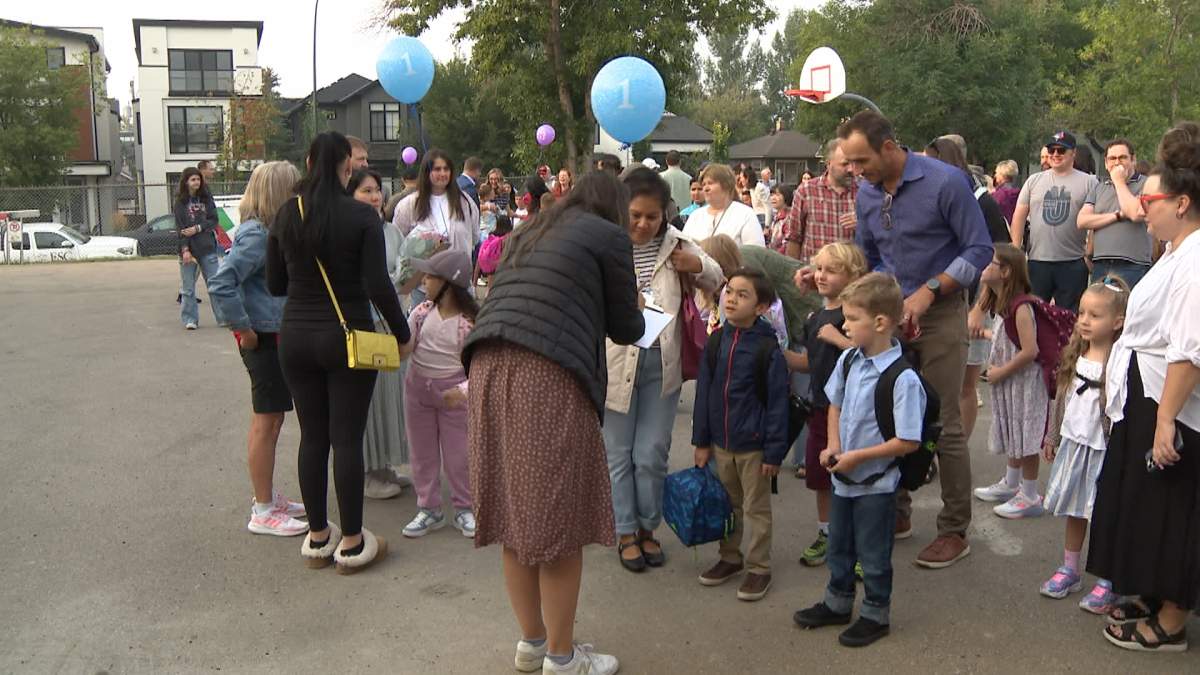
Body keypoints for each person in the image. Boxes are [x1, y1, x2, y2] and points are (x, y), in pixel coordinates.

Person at [461, 170, 644, 675]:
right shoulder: (608, 236)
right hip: (546, 375)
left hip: (486, 366)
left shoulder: (532, 228)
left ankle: (533, 642)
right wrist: (635, 304)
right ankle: (562, 659)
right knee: (560, 527)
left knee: (515, 519)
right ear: (615, 208)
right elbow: (627, 327)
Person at [834, 110, 993, 568]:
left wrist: (929, 290)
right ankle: (896, 512)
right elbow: (869, 257)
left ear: (889, 147)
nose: (855, 171)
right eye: (850, 163)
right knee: (889, 416)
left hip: (941, 315)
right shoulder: (867, 192)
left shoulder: (946, 182)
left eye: (861, 160)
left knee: (943, 423)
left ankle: (954, 530)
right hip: (890, 319)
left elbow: (979, 249)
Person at [267, 131, 411, 573]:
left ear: (309, 162)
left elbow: (275, 283)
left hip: (295, 337)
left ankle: (317, 535)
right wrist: (402, 333)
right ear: (348, 167)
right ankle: (351, 542)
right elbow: (378, 285)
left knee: (313, 437)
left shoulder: (288, 213)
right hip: (348, 337)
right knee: (347, 438)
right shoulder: (361, 217)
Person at [1088, 122, 1200, 653]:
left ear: (1181, 203)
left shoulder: (1195, 258)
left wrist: (1165, 419)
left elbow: (1189, 349)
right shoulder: (1177, 249)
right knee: (1151, 508)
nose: (1142, 208)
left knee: (1177, 513)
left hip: (1172, 404)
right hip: (1150, 395)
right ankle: (1156, 595)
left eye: (1151, 200)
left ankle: (1173, 619)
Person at [794, 271, 927, 647]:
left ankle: (875, 614)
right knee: (839, 544)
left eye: (852, 319)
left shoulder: (903, 378)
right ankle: (837, 603)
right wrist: (834, 445)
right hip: (844, 478)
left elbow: (908, 441)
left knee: (872, 553)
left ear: (881, 322)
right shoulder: (850, 359)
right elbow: (834, 403)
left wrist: (858, 457)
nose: (844, 326)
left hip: (876, 485)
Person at [604, 167, 723, 573]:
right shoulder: (606, 243)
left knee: (652, 453)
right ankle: (625, 531)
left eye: (651, 216)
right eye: (635, 215)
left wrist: (696, 265)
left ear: (664, 214)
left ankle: (648, 527)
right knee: (619, 455)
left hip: (661, 363)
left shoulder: (676, 242)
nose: (643, 224)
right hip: (614, 362)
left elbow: (718, 276)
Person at [208, 160, 307, 537]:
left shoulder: (267, 231)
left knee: (273, 418)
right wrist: (243, 328)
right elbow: (222, 283)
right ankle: (263, 509)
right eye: (294, 189)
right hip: (263, 338)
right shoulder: (256, 234)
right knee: (266, 421)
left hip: (272, 335)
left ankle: (267, 497)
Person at [692, 267, 788, 602]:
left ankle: (759, 567)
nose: (731, 299)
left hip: (754, 446)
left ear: (761, 307)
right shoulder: (717, 340)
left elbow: (778, 404)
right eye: (729, 291)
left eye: (742, 295)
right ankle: (730, 557)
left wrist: (774, 453)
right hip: (721, 443)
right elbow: (704, 393)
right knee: (727, 504)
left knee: (756, 508)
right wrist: (701, 441)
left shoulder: (767, 348)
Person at [1038, 277, 1128, 610]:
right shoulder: (1076, 352)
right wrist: (1053, 435)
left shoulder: (1120, 359)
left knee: (1103, 514)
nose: (1085, 321)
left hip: (1103, 449)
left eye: (1095, 315)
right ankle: (1070, 568)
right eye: (1082, 313)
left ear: (1117, 322)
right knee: (1075, 510)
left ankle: (1108, 578)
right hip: (1075, 444)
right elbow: (1061, 397)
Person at [926, 138, 1011, 442]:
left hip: (974, 300)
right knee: (932, 384)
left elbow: (999, 254)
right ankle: (932, 450)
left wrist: (980, 307)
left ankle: (956, 449)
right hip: (934, 299)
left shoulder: (981, 200)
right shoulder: (928, 197)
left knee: (965, 385)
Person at [794, 242, 867, 567]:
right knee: (820, 474)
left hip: (854, 412)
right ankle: (827, 533)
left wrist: (839, 339)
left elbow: (872, 355)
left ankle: (860, 544)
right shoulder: (816, 317)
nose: (821, 276)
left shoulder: (856, 315)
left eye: (831, 270)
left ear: (853, 276)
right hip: (821, 408)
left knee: (855, 476)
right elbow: (809, 363)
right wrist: (778, 353)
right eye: (819, 268)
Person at [402, 250, 479, 539]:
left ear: (449, 283)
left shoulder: (469, 323)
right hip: (417, 391)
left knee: (459, 455)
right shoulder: (421, 313)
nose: (424, 280)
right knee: (421, 453)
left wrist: (462, 391)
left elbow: (480, 367)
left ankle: (465, 507)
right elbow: (406, 348)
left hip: (454, 397)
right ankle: (429, 508)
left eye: (431, 276)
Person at [971, 244, 1050, 518]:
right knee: (1015, 432)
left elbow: (1030, 351)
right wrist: (984, 335)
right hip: (1013, 382)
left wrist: (1001, 372)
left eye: (990, 263)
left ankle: (1030, 495)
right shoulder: (1003, 304)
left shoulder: (1021, 307)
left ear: (1005, 271)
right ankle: (1012, 483)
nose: (984, 266)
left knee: (1026, 437)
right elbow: (1009, 339)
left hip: (1025, 383)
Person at [347, 168, 411, 500]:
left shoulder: (390, 230)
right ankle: (367, 472)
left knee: (390, 397)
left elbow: (400, 268)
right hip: (367, 324)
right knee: (369, 402)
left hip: (392, 320)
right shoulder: (348, 232)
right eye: (366, 191)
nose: (374, 197)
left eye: (377, 190)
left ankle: (384, 464)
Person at [1010, 131, 1098, 311]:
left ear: (1073, 153)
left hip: (1073, 262)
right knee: (1034, 313)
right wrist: (1016, 250)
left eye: (1061, 150)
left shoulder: (1090, 182)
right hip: (1037, 261)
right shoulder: (1033, 181)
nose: (1055, 154)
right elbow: (1019, 216)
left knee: (1069, 316)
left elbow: (1095, 220)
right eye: (1051, 150)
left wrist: (1089, 254)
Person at [1077, 139, 1152, 287]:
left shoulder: (1147, 184)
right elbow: (1082, 221)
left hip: (1134, 265)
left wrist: (1119, 182)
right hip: (1101, 265)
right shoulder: (1099, 188)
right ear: (1106, 163)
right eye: (1112, 158)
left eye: (1122, 157)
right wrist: (1117, 216)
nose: (1117, 163)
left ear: (1133, 160)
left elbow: (1135, 214)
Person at [786, 139, 858, 262]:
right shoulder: (806, 191)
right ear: (829, 163)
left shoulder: (863, 193)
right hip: (814, 270)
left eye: (854, 163)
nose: (851, 169)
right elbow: (794, 237)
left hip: (851, 270)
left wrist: (862, 224)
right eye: (845, 164)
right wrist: (793, 270)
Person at [175, 167, 227, 330]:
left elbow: (213, 220)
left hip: (207, 248)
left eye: (198, 179)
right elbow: (181, 229)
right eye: (193, 179)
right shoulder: (180, 203)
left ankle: (223, 318)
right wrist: (185, 250)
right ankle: (190, 319)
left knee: (215, 285)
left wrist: (197, 228)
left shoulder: (206, 199)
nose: (196, 182)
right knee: (188, 288)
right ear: (186, 182)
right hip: (189, 251)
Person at [683, 164, 764, 246]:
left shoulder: (745, 214)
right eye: (703, 184)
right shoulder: (695, 216)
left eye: (710, 183)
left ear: (726, 185)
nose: (706, 188)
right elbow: (684, 247)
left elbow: (755, 250)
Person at [767, 183, 794, 254]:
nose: (773, 198)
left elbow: (787, 244)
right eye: (772, 195)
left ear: (786, 196)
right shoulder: (776, 216)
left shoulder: (789, 218)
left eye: (777, 195)